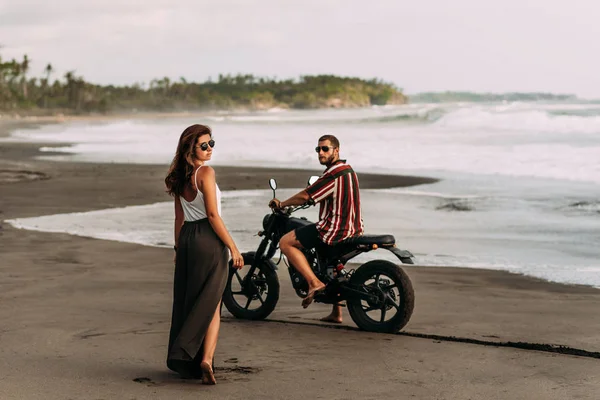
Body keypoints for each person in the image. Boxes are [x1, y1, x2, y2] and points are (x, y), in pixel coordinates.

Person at [164, 124, 244, 385]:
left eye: (212, 144)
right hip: (208, 240)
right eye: (204, 145)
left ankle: (186, 359)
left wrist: (178, 248)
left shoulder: (177, 177)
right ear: (191, 148)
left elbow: (179, 217)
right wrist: (233, 247)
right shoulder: (205, 173)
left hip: (187, 239)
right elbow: (212, 215)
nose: (210, 149)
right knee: (212, 303)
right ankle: (206, 359)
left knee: (191, 299)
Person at [269, 134, 363, 323]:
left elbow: (306, 196)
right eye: (318, 149)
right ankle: (337, 313)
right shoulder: (348, 170)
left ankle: (314, 282)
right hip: (354, 228)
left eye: (325, 149)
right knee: (331, 262)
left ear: (336, 150)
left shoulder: (333, 174)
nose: (320, 152)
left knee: (286, 242)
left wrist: (282, 204)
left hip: (334, 229)